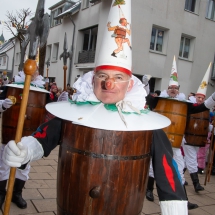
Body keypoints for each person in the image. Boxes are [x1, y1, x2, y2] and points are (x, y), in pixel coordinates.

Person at [2, 1, 188, 214]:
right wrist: (24, 149)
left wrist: (175, 208)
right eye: (103, 76)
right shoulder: (74, 115)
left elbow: (167, 171)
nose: (108, 84)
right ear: (93, 79)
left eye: (118, 77)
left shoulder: (146, 125)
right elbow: (44, 136)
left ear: (130, 83)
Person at [145, 57, 215, 210]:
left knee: (179, 169)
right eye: (171, 88)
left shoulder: (185, 105)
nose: (173, 90)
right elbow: (147, 99)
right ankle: (149, 190)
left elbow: (201, 107)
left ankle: (184, 199)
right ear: (167, 88)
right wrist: (146, 85)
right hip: (158, 138)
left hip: (177, 142)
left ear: (179, 90)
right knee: (152, 166)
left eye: (176, 88)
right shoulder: (159, 100)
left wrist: (213, 97)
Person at [0, 69, 48, 210]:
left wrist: (61, 102)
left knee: (24, 165)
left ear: (37, 73)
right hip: (10, 130)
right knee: (3, 163)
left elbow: (50, 110)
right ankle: (1, 193)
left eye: (35, 71)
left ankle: (16, 194)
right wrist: (3, 104)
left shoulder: (41, 89)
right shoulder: (12, 86)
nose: (32, 73)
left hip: (29, 134)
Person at [182, 63, 211, 192]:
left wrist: (211, 129)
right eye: (199, 97)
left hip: (198, 140)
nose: (200, 99)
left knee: (183, 160)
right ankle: (196, 184)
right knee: (191, 159)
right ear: (195, 97)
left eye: (202, 98)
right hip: (188, 138)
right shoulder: (189, 106)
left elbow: (205, 125)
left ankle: (179, 177)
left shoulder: (205, 110)